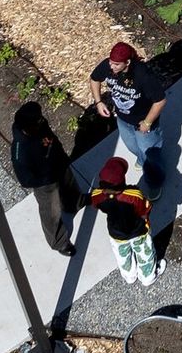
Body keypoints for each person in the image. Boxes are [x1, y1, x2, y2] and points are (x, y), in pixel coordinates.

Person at [10, 102, 78, 256]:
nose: (42, 121)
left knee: (70, 186)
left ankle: (75, 203)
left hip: (59, 164)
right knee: (51, 212)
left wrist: (61, 155)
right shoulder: (20, 149)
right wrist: (45, 178)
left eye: (40, 118)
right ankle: (59, 242)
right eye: (38, 121)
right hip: (45, 183)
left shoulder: (39, 124)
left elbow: (51, 138)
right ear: (28, 127)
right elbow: (25, 180)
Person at [89, 39, 166, 172]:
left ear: (127, 62)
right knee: (132, 146)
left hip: (143, 122)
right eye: (111, 62)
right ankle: (142, 159)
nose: (111, 66)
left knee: (150, 153)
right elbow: (94, 79)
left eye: (116, 64)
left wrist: (147, 123)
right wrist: (99, 102)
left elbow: (160, 101)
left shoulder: (142, 75)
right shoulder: (108, 66)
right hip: (123, 119)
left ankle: (156, 178)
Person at [87, 157, 160, 285]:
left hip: (116, 233)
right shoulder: (133, 195)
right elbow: (145, 209)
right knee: (144, 253)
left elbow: (95, 203)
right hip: (137, 231)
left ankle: (129, 276)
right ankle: (147, 276)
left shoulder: (97, 195)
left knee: (122, 255)